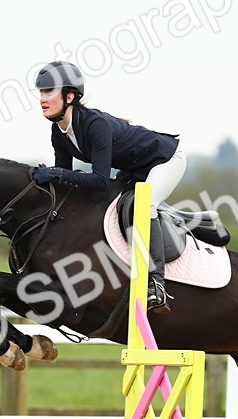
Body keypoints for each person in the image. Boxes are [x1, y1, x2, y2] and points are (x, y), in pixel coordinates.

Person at [31, 60, 185, 314]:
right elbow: (64, 182)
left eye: (49, 92)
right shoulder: (58, 132)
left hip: (165, 160)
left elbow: (100, 181)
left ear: (69, 96)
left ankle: (156, 284)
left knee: (144, 207)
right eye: (41, 93)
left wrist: (55, 173)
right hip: (134, 168)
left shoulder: (94, 125)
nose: (42, 99)